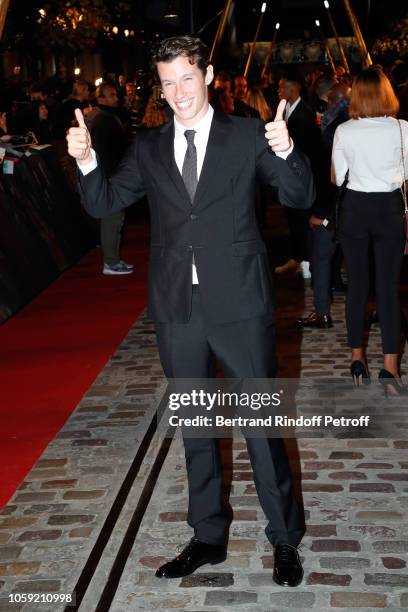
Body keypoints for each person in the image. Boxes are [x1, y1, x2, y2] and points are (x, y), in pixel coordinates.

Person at [67, 34, 314, 587]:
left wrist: (286, 150)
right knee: (198, 427)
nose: (177, 92)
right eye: (167, 82)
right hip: (179, 306)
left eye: (186, 77)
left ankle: (284, 538)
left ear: (207, 76)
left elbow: (299, 197)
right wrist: (85, 162)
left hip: (241, 304)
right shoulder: (150, 146)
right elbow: (105, 201)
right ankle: (208, 536)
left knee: (261, 426)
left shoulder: (248, 134)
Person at [332, 67, 408, 394]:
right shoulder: (403, 129)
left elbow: (337, 178)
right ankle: (390, 368)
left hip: (356, 209)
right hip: (389, 208)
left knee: (358, 287)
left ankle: (357, 357)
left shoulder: (345, 130)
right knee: (388, 288)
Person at [275, 70, 321, 279]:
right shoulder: (286, 111)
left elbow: (309, 149)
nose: (278, 90)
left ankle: (305, 261)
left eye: (282, 86)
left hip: (302, 176)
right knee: (293, 219)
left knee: (302, 218)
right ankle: (297, 258)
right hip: (288, 177)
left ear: (294, 88)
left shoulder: (305, 113)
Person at [86, 83, 133, 275]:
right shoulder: (103, 119)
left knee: (113, 218)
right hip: (109, 174)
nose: (116, 98)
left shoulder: (101, 116)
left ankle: (112, 260)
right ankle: (111, 262)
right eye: (112, 95)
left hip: (106, 174)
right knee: (112, 218)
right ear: (102, 98)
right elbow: (108, 150)